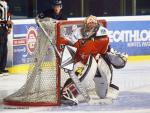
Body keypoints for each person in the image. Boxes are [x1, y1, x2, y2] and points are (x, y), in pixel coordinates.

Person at [60, 15, 128, 105]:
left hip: (96, 62)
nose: (91, 25)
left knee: (103, 94)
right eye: (89, 22)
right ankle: (67, 92)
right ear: (85, 24)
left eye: (93, 23)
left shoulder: (102, 36)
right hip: (82, 62)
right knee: (80, 76)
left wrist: (117, 59)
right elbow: (70, 50)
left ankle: (108, 86)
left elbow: (106, 52)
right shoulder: (77, 34)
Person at [0, 0, 12, 76]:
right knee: (0, 48)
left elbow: (9, 16)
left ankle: (2, 68)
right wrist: (5, 23)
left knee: (4, 49)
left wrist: (10, 27)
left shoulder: (6, 4)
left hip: (4, 29)